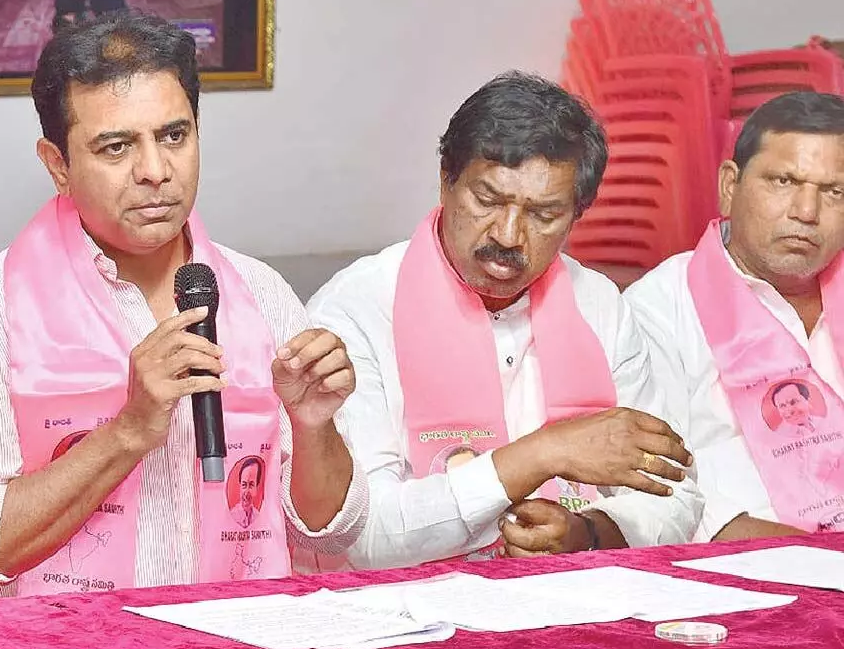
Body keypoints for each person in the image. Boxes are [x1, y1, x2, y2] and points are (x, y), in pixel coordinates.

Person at [0, 11, 368, 596]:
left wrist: (313, 427)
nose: (155, 171)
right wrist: (126, 432)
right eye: (116, 147)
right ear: (58, 165)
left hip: (232, 637)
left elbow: (329, 534)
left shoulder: (260, 294)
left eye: (174, 136)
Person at [308, 72, 702, 570]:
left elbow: (676, 494)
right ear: (446, 181)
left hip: (567, 594)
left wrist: (588, 531)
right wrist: (541, 455)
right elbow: (364, 537)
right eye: (489, 201)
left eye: (543, 215)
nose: (509, 236)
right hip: (407, 605)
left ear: (576, 215)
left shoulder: (599, 304)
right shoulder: (357, 308)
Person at [626, 92, 844, 541]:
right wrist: (813, 555)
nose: (807, 212)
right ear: (730, 185)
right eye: (783, 181)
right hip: (744, 564)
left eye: (834, 192)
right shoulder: (659, 308)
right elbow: (657, 491)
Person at [229, 458, 263, 529]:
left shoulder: (260, 517)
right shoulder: (230, 516)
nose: (246, 492)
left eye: (251, 485)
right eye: (244, 485)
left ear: (256, 488)